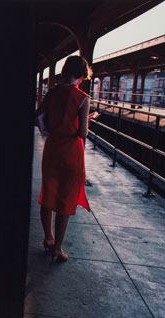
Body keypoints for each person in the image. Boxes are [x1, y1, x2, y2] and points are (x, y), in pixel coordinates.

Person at [35, 55, 93, 263]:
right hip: (71, 152)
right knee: (65, 198)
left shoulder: (52, 93)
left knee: (48, 193)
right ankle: (58, 247)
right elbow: (82, 133)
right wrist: (86, 119)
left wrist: (48, 130)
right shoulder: (83, 98)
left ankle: (48, 238)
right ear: (81, 75)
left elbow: (38, 117)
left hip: (52, 149)